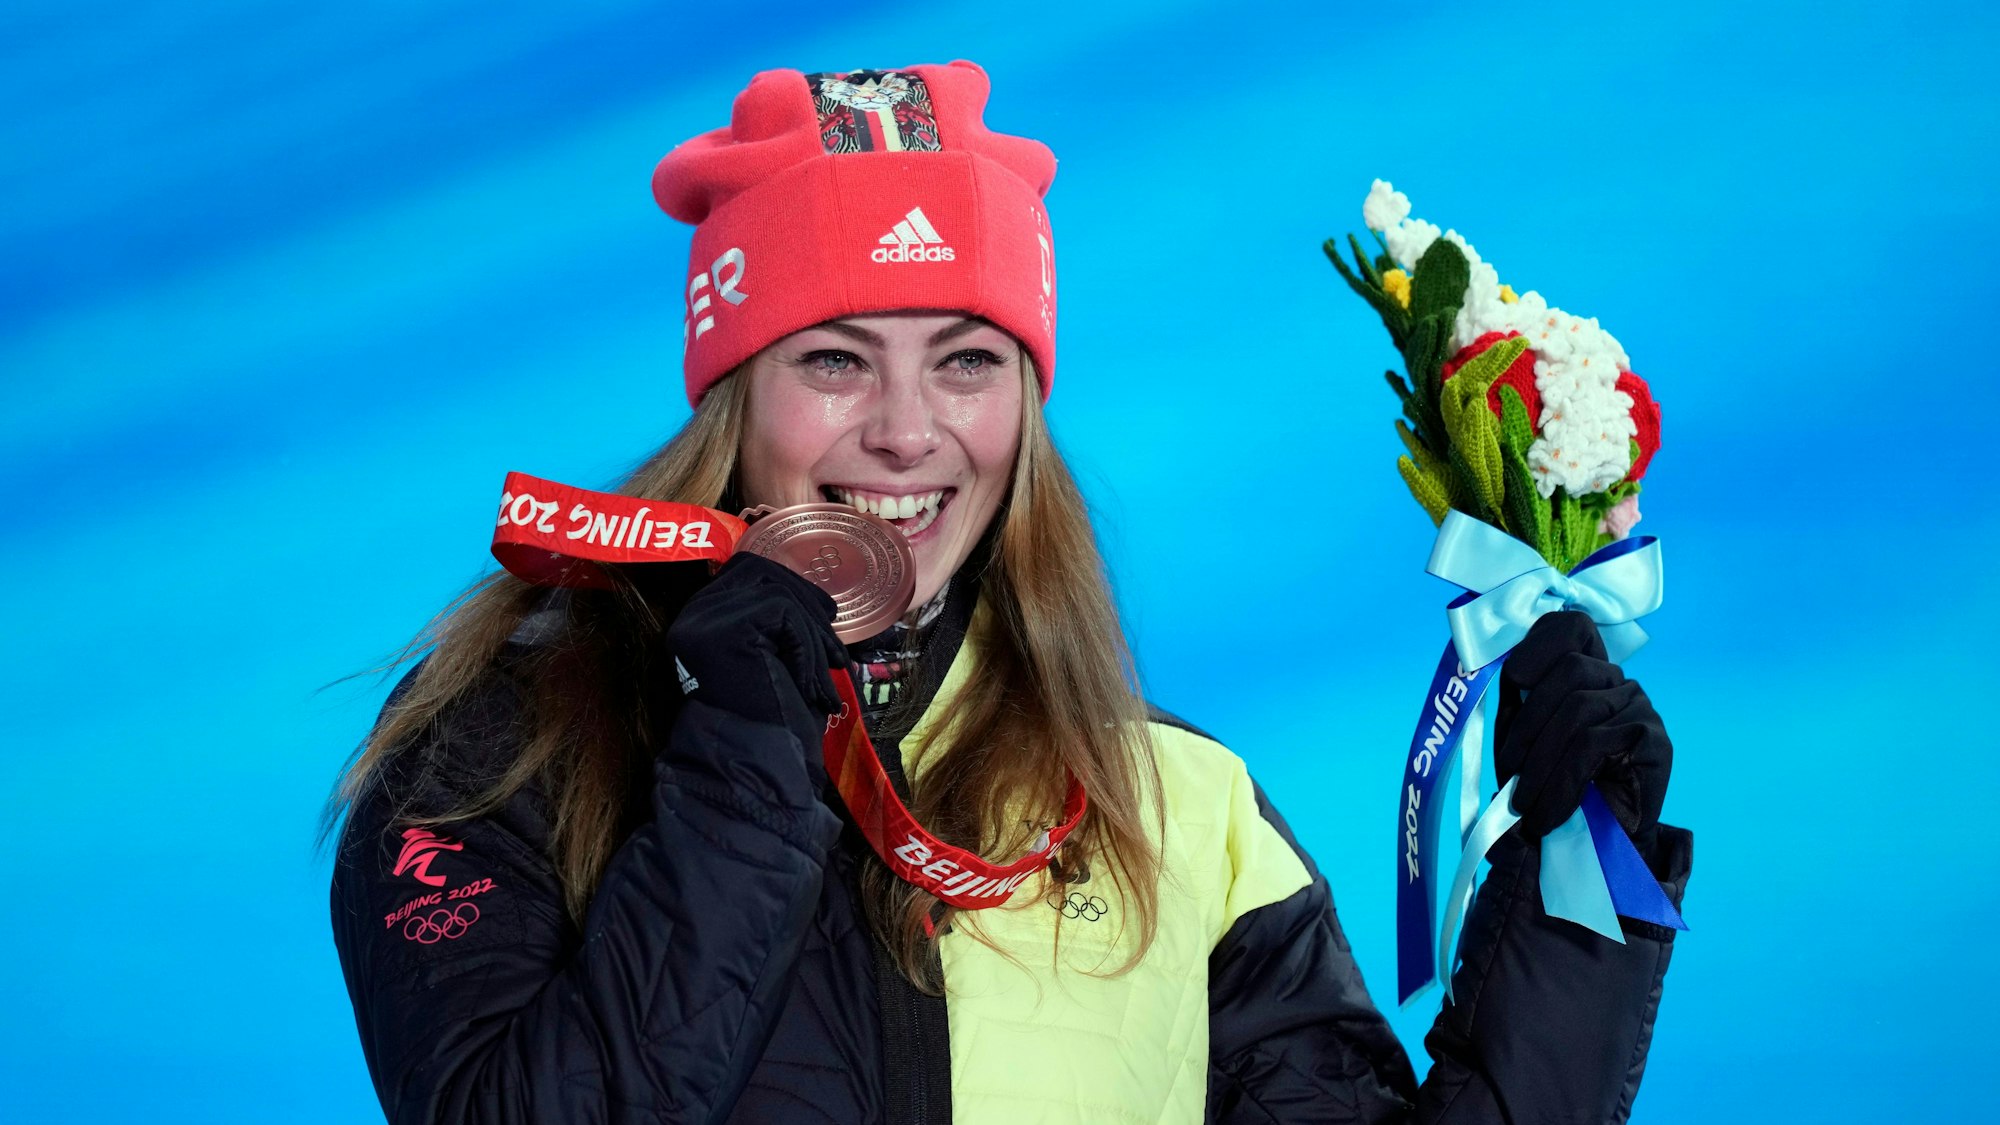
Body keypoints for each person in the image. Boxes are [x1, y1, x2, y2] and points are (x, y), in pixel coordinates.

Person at [325, 60, 1692, 1124]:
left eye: (967, 361)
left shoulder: (1178, 806)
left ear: (1025, 410)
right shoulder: (509, 745)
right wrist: (738, 760)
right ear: (734, 394)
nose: (906, 432)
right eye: (835, 360)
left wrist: (1576, 892)